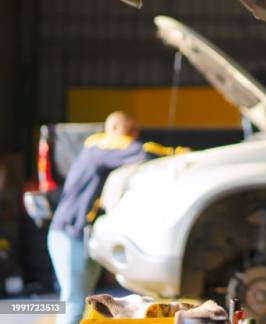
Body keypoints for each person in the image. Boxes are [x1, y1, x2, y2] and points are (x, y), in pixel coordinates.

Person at [47, 111, 188, 324]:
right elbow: (142, 152)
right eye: (129, 130)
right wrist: (179, 154)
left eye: (136, 131)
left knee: (83, 304)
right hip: (69, 234)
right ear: (113, 129)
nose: (133, 136)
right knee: (74, 303)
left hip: (81, 236)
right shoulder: (101, 146)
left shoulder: (97, 151)